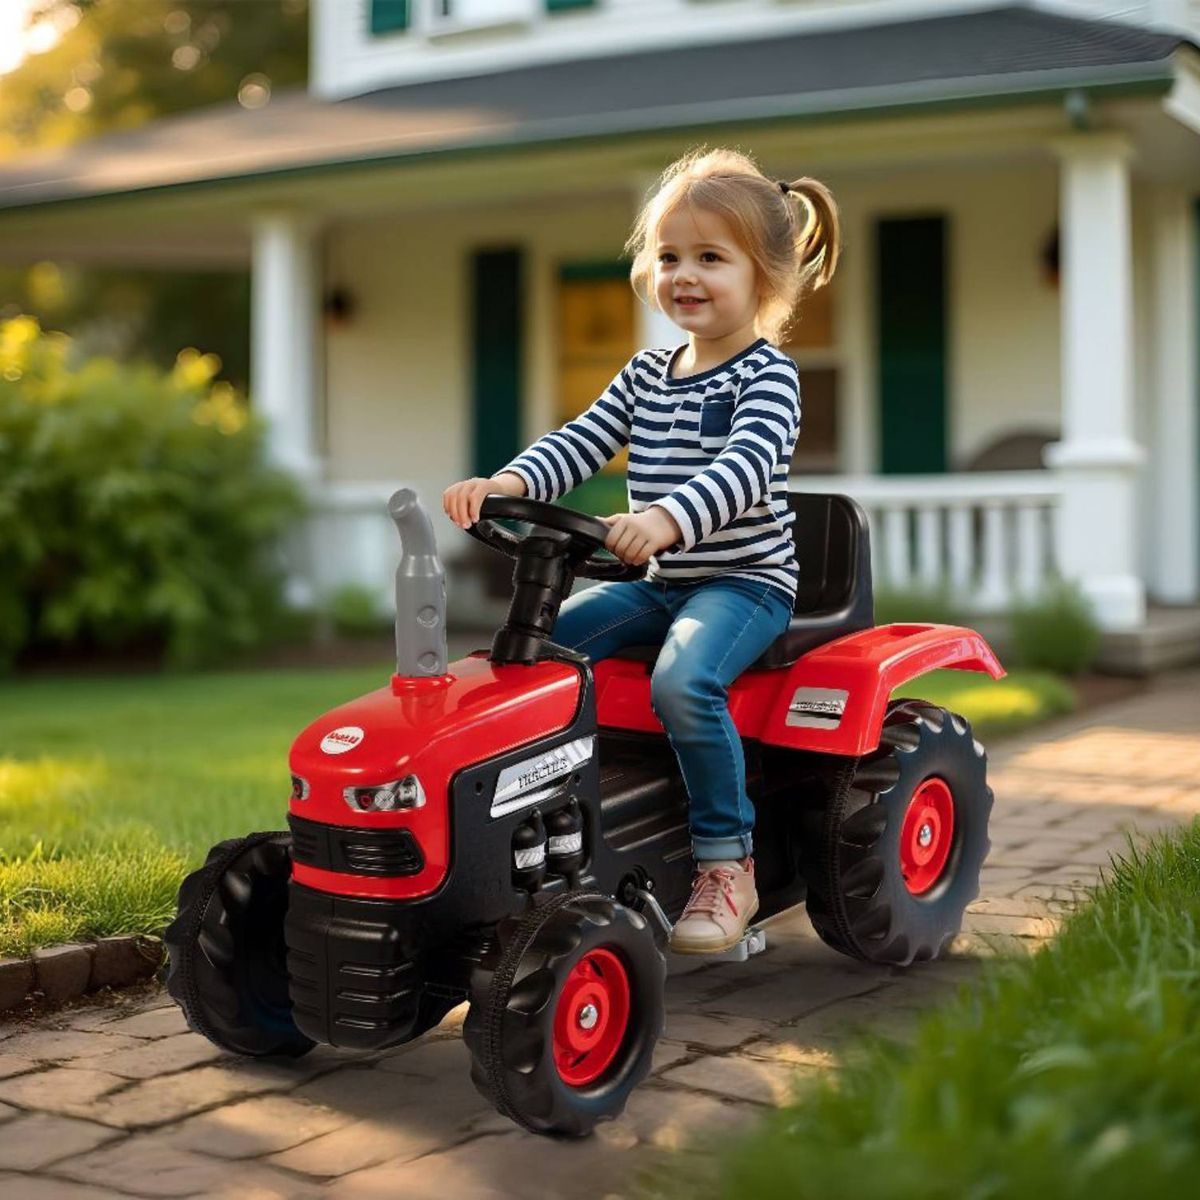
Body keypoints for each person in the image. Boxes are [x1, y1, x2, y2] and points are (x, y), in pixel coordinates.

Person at [443, 146, 841, 953]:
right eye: (668, 257)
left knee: (683, 683)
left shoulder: (767, 377)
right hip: (658, 582)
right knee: (532, 658)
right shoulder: (647, 373)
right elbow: (583, 441)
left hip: (743, 582)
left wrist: (665, 519)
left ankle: (727, 863)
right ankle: (538, 828)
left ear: (764, 276)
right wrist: (508, 484)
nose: (684, 275)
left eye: (709, 258)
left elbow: (746, 467)